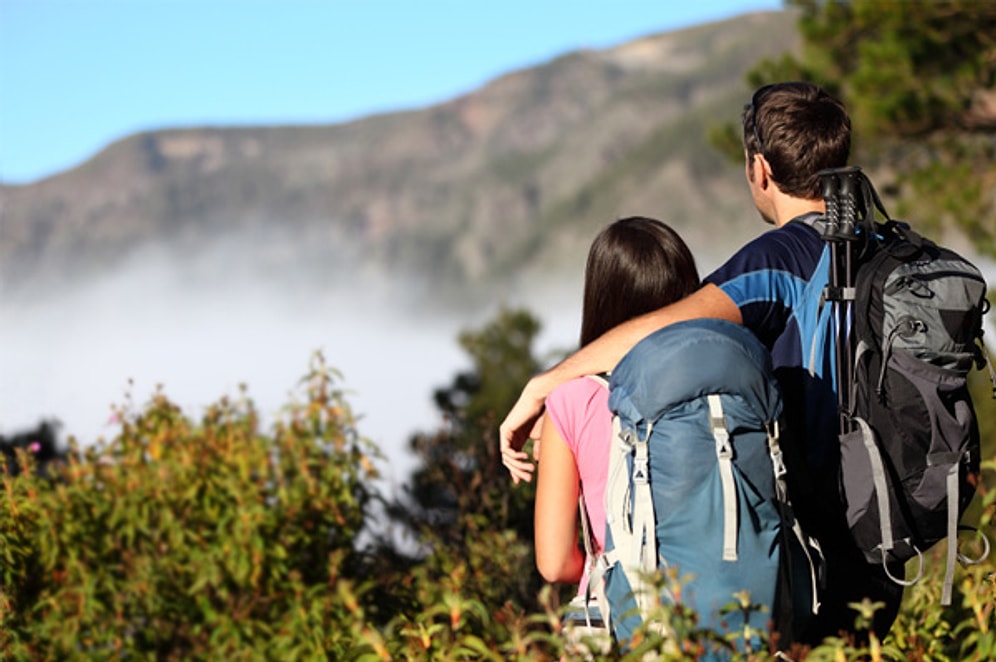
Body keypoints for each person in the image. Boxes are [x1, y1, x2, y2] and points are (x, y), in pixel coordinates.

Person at [501, 81, 905, 645]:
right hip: (891, 532)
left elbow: (669, 330)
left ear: (759, 168)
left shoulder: (777, 257)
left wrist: (547, 385)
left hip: (807, 540)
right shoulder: (887, 246)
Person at [533, 216, 699, 599]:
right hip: (720, 609)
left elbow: (554, 562)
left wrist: (606, 564)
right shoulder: (725, 381)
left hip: (626, 617)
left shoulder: (572, 401)